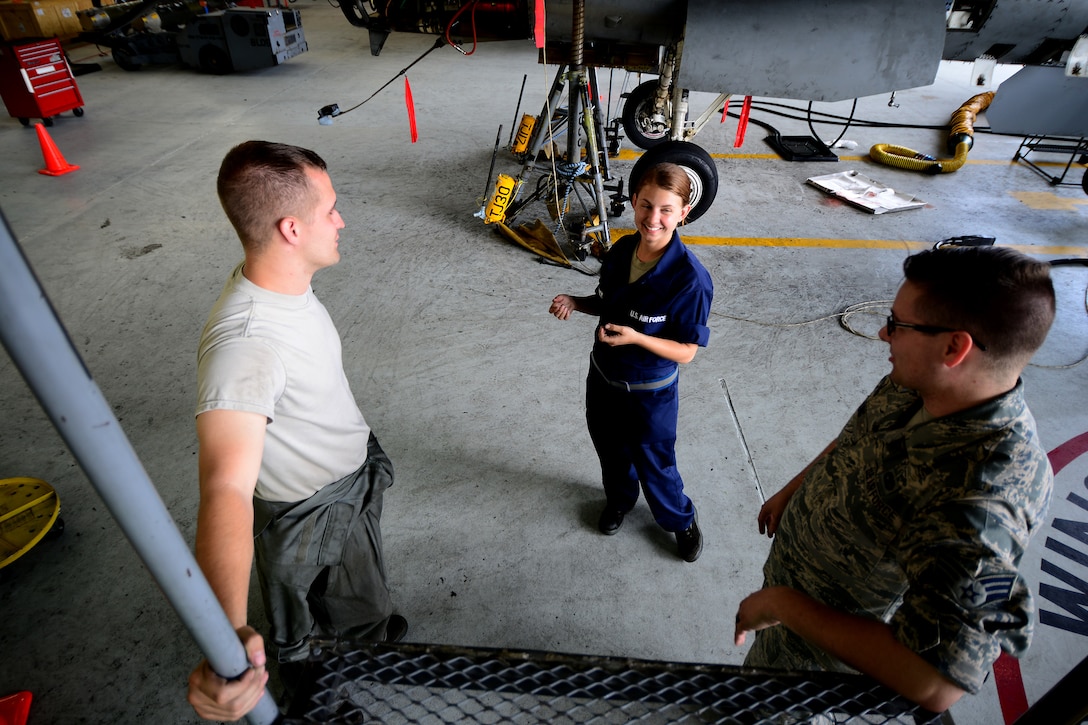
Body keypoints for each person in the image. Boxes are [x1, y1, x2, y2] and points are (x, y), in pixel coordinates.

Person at [734, 245, 1056, 713]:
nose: (884, 332)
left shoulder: (982, 498)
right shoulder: (928, 379)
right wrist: (797, 487)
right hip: (797, 592)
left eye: (898, 324)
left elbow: (935, 683)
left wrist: (783, 606)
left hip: (816, 667)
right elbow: (861, 434)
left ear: (955, 347)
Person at [186, 140, 406, 721]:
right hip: (307, 511)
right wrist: (228, 634)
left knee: (361, 594)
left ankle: (368, 634)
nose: (341, 219)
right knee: (304, 636)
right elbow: (226, 489)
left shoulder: (284, 287)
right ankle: (318, 699)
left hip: (350, 474)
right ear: (290, 229)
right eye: (330, 209)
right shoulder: (246, 344)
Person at [549, 162, 714, 562]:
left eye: (665, 210)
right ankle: (620, 501)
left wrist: (638, 337)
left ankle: (680, 520)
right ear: (635, 202)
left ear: (683, 213)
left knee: (656, 464)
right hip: (604, 379)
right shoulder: (623, 250)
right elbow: (607, 303)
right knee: (611, 451)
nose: (652, 219)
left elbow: (687, 351)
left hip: (648, 394)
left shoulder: (691, 280)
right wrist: (577, 302)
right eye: (645, 205)